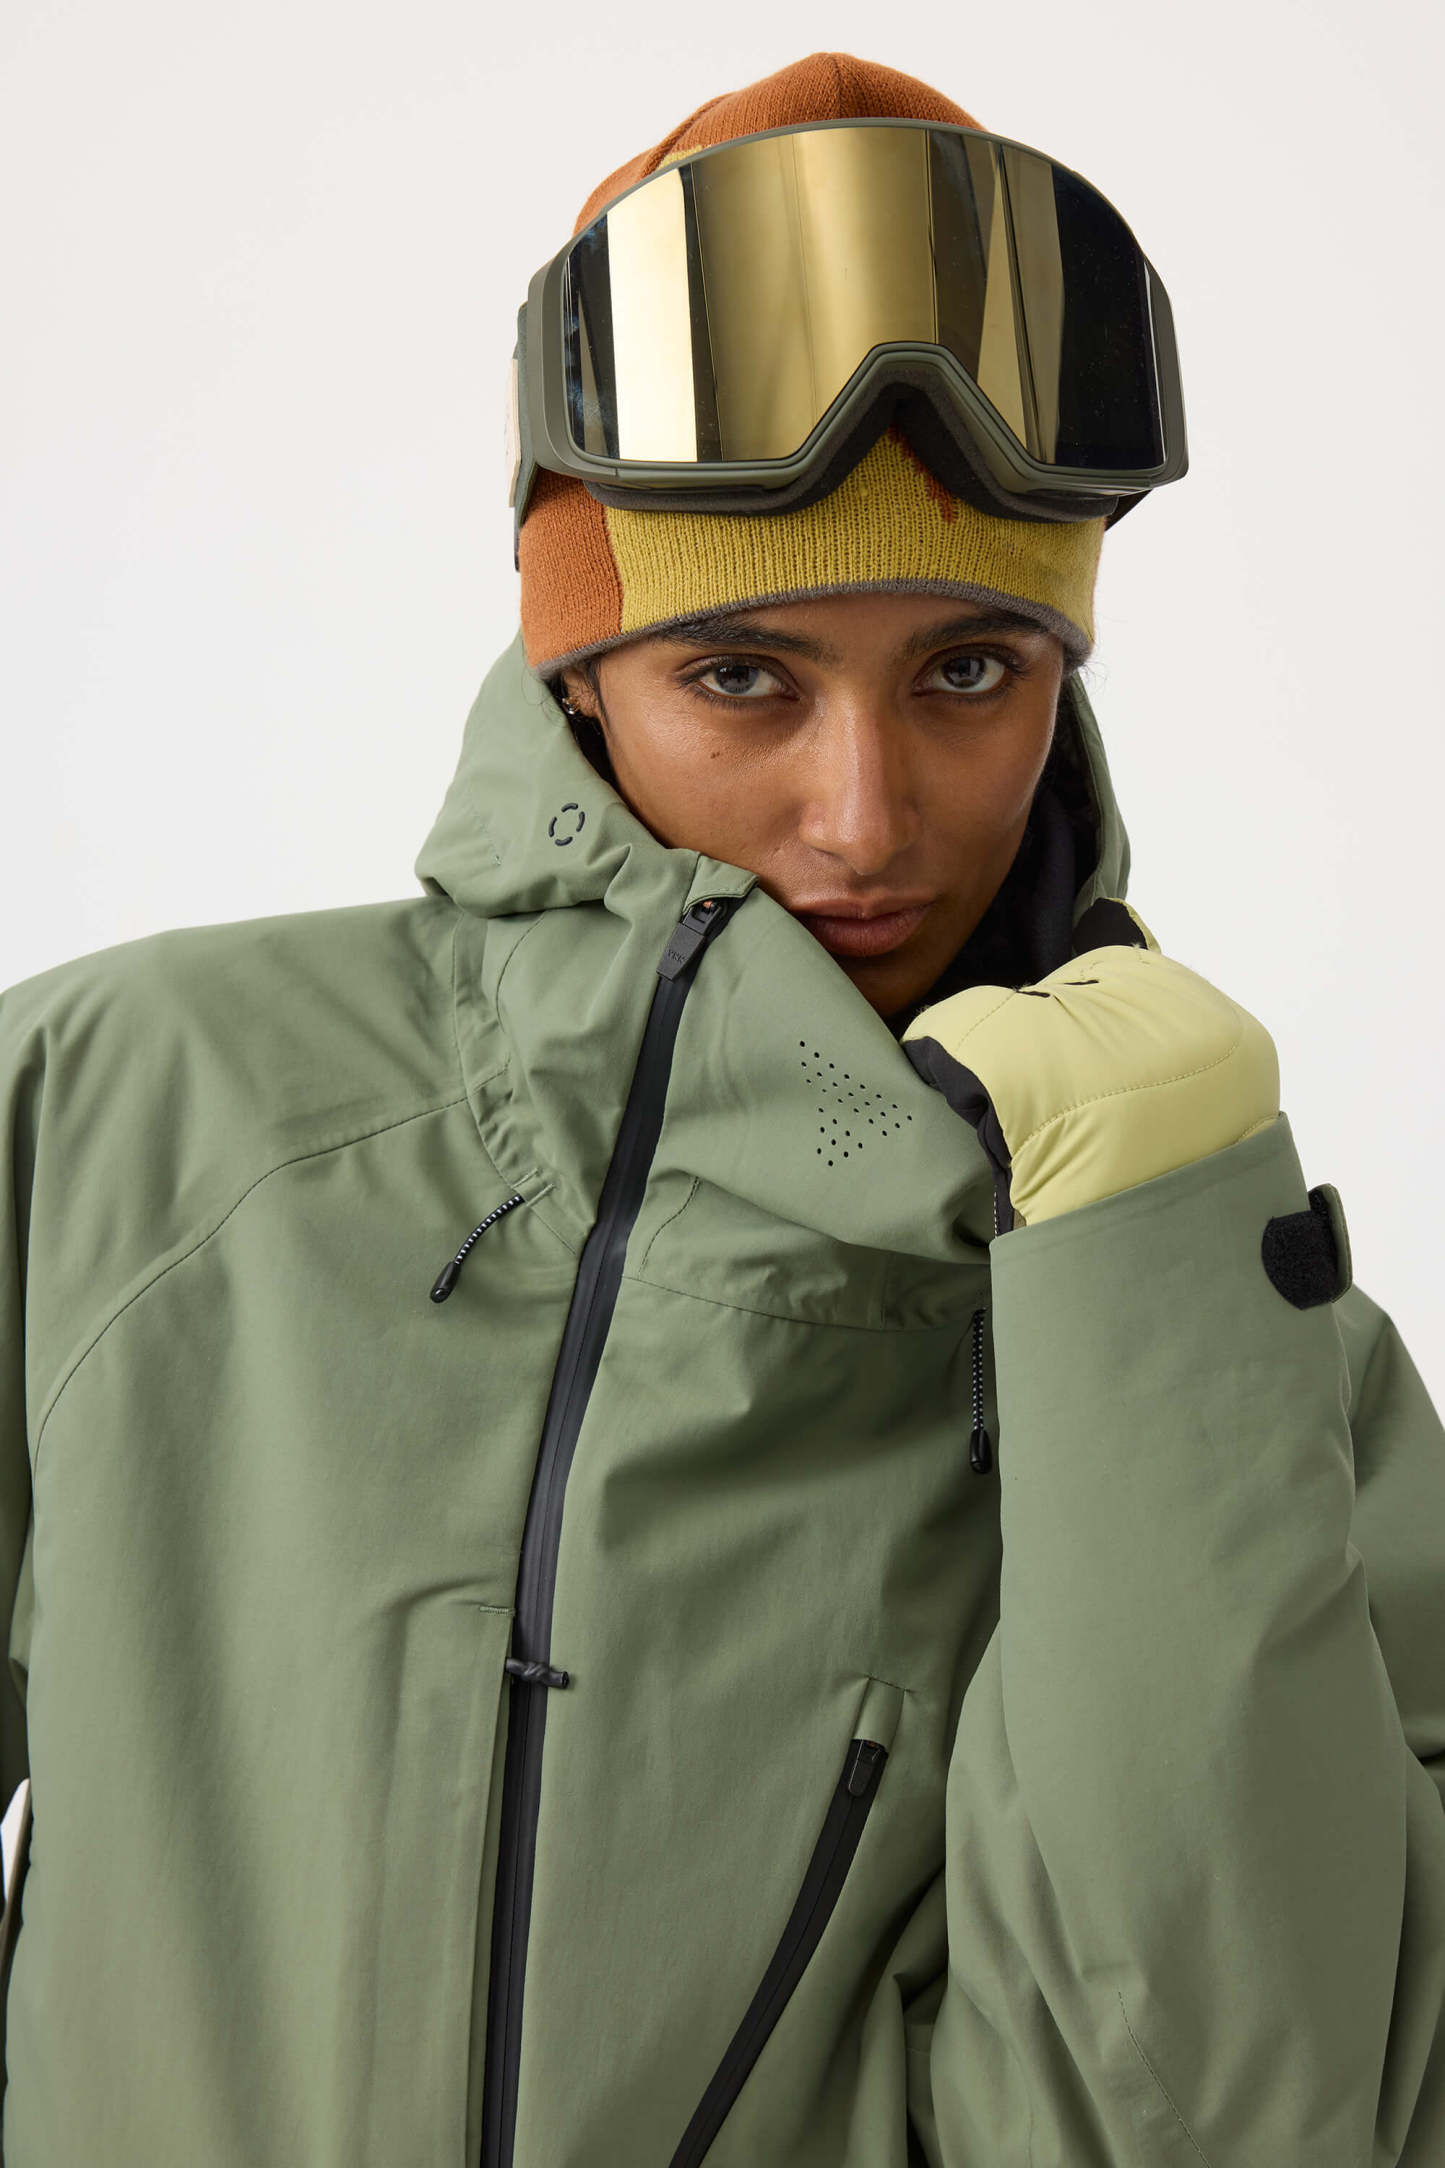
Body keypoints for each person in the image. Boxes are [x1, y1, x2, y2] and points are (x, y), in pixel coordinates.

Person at [0, 46, 1442, 2168]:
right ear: (577, 669)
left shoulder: (1237, 1333)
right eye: (742, 676)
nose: (864, 817)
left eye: (971, 671)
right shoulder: (125, 1117)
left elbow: (1235, 2128)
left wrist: (1148, 1274)